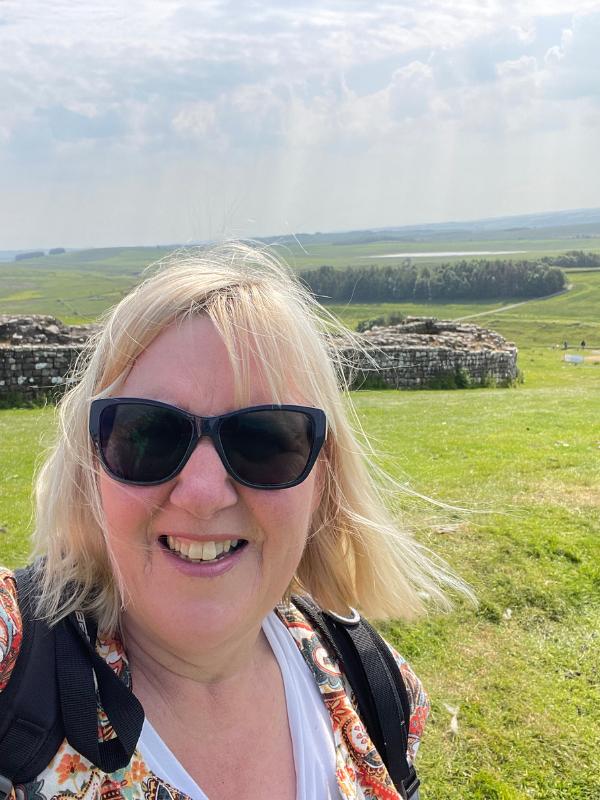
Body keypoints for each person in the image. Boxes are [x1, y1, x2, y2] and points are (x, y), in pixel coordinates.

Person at [0, 242, 465, 800]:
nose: (201, 494)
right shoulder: (13, 664)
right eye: (147, 434)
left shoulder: (379, 688)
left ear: (324, 477)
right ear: (90, 463)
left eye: (265, 439)